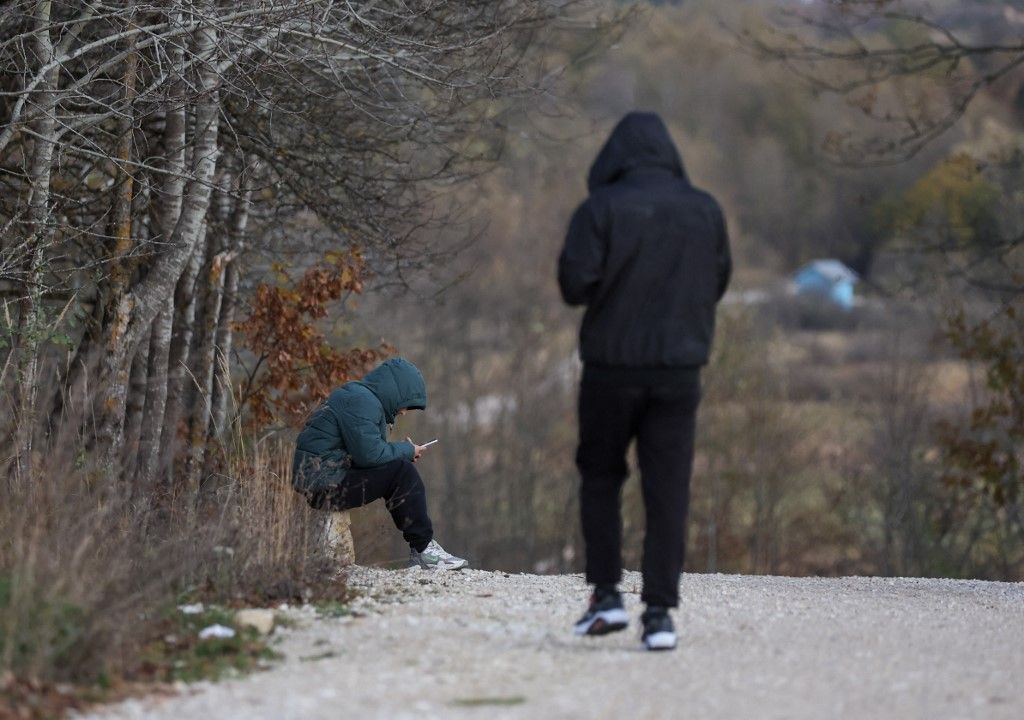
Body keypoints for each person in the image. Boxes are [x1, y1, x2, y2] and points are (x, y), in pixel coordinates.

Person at [558, 111, 731, 651]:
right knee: (668, 488)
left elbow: (573, 284)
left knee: (602, 477)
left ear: (614, 157)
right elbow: (719, 280)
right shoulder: (706, 210)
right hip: (679, 373)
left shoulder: (600, 210)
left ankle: (606, 597)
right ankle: (659, 615)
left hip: (612, 369)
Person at [292, 357, 467, 570]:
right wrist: (405, 451)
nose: (403, 412)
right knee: (402, 473)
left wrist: (403, 452)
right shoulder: (362, 401)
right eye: (405, 405)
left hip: (324, 479)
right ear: (397, 393)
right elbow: (369, 456)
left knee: (398, 469)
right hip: (324, 485)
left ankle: (423, 549)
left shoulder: (360, 397)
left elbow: (365, 454)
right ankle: (424, 550)